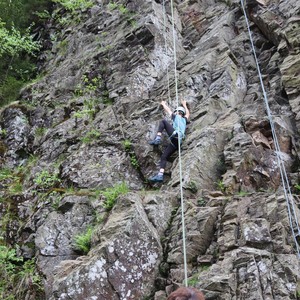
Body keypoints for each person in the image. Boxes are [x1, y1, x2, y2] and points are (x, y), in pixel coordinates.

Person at [148, 99, 190, 182]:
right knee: (164, 156)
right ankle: (160, 175)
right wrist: (184, 105)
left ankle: (158, 138)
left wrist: (163, 104)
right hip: (178, 142)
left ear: (178, 112)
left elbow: (168, 110)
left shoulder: (176, 117)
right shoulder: (184, 120)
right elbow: (188, 114)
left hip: (176, 136)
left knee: (163, 121)